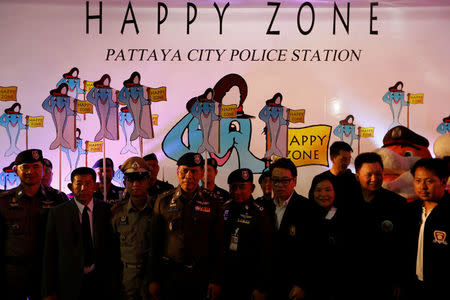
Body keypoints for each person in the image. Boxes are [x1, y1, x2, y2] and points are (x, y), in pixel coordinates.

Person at [149, 152, 224, 300]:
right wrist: (153, 279)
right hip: (170, 275)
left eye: (194, 171)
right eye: (185, 170)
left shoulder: (213, 202)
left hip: (201, 275)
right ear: (178, 172)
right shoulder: (163, 201)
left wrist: (216, 280)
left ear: (201, 173)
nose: (189, 176)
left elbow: (219, 245)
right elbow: (154, 243)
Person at [42, 167, 119, 300]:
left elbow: (113, 249)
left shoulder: (107, 211)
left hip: (101, 283)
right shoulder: (58, 213)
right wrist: (48, 290)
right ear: (71, 187)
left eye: (88, 183)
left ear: (95, 186)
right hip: (68, 284)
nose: (83, 188)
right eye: (79, 184)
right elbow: (50, 253)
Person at [0, 149, 66, 300]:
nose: (31, 171)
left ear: (43, 169)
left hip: (45, 273)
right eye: (25, 167)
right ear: (16, 170)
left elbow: (64, 239)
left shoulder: (57, 199)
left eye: (36, 167)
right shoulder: (3, 200)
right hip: (13, 274)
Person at [354, 152, 406, 300]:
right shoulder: (345, 202)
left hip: (385, 280)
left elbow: (403, 245)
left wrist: (399, 281)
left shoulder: (397, 203)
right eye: (369, 175)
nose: (374, 179)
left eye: (378, 174)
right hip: (352, 280)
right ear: (357, 176)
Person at [269, 158, 318, 300]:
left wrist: (302, 284)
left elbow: (313, 251)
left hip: (294, 285)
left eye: (285, 180)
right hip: (270, 283)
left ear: (294, 181)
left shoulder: (308, 208)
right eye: (275, 180)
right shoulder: (264, 207)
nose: (280, 185)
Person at [403, 158, 450, 300]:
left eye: (429, 181)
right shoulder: (410, 211)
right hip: (413, 287)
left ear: (443, 181)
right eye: (418, 181)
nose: (422, 186)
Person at [222, 168, 273, 300]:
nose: (237, 191)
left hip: (250, 281)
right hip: (225, 279)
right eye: (233, 187)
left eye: (242, 187)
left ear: (252, 188)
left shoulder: (260, 213)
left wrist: (261, 287)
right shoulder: (223, 209)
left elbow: (267, 253)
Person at [308, 174, 357, 300]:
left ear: (336, 192)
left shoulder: (347, 217)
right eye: (318, 190)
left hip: (342, 285)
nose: (323, 194)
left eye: (328, 190)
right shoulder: (306, 217)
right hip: (313, 286)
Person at [112, 157, 153, 300]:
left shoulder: (159, 209)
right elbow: (111, 251)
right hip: (127, 278)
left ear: (148, 181)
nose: (136, 183)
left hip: (154, 276)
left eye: (141, 179)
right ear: (124, 183)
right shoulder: (116, 213)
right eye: (131, 179)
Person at [312, 141, 360, 210]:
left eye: (349, 159)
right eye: (343, 159)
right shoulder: (320, 179)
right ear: (332, 158)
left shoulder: (354, 179)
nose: (347, 163)